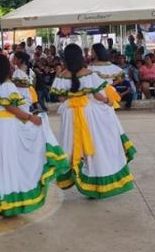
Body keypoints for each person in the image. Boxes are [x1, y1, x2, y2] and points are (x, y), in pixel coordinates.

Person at [0, 55, 67, 216]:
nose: (13, 68)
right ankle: (9, 200)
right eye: (10, 66)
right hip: (8, 128)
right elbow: (11, 108)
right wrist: (31, 118)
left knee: (0, 164)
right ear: (5, 68)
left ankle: (3, 200)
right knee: (12, 163)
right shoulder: (6, 86)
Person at [51, 44, 136, 199]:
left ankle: (77, 174)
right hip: (89, 112)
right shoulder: (89, 73)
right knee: (97, 144)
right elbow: (97, 95)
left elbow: (60, 97)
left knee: (72, 146)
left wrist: (72, 97)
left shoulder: (61, 75)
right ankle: (96, 180)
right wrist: (108, 101)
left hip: (69, 113)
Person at [88, 43, 123, 109]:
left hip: (101, 93)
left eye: (92, 50)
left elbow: (119, 79)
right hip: (94, 93)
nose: (91, 52)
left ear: (97, 52)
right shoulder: (91, 64)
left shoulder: (107, 65)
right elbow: (119, 79)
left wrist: (107, 85)